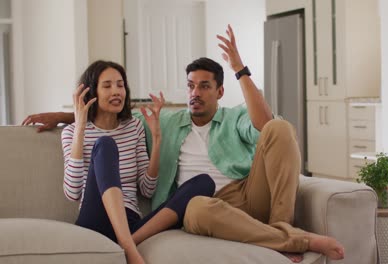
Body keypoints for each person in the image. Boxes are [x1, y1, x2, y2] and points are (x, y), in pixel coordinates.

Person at [23, 25, 344, 262]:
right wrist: (66, 118)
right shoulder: (153, 121)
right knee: (184, 189)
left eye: (204, 86)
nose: (195, 93)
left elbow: (264, 124)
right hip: (154, 214)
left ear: (219, 91)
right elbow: (78, 179)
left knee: (273, 133)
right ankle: (129, 246)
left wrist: (239, 69)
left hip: (227, 199)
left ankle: (282, 231)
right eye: (191, 86)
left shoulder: (220, 118)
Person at [58, 60, 215, 264]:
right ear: (92, 93)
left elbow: (147, 190)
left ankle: (126, 242)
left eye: (120, 85)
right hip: (94, 220)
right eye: (107, 86)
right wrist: (79, 126)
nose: (116, 91)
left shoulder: (134, 128)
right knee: (105, 144)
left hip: (131, 221)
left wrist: (157, 140)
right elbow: (72, 192)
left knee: (204, 182)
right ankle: (130, 248)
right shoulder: (71, 132)